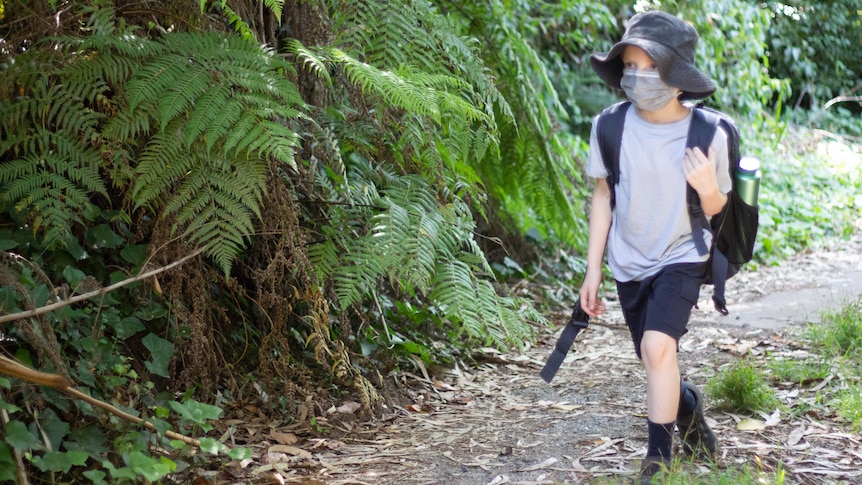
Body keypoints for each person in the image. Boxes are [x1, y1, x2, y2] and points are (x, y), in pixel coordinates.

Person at [581, 10, 730, 484]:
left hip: (683, 254)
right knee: (653, 359)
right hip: (629, 259)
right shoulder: (610, 126)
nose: (638, 77)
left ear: (676, 75)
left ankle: (658, 460)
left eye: (651, 67)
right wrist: (593, 270)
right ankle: (688, 409)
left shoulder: (709, 134)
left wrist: (707, 186)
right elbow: (603, 195)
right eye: (631, 66)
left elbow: (719, 209)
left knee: (658, 346)